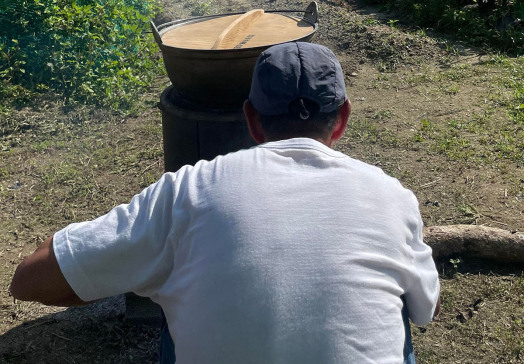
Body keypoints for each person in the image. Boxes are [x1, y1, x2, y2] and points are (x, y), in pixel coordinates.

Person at [10, 42, 440, 363]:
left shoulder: (188, 189)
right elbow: (425, 308)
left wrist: (141, 277)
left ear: (251, 118)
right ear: (343, 118)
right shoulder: (392, 195)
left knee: (176, 312)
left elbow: (28, 281)